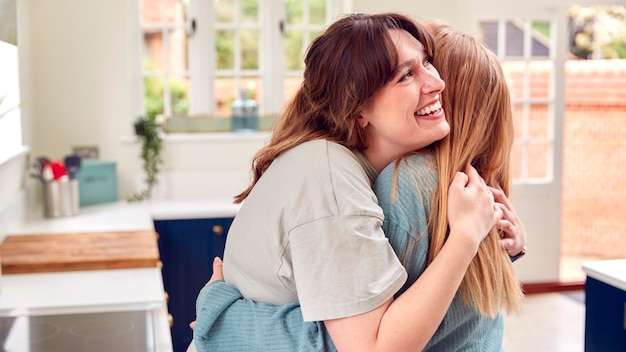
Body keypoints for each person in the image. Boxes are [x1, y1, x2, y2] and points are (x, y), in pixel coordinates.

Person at [190, 14, 523, 352]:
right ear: (359, 109)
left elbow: (409, 325)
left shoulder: (402, 182)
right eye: (407, 74)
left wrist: (225, 322)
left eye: (427, 62)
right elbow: (375, 340)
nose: (437, 83)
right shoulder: (337, 177)